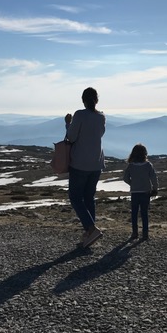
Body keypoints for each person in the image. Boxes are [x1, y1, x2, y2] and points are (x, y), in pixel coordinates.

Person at [65, 87, 106, 248]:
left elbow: (71, 137)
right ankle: (89, 234)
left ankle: (91, 229)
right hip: (96, 163)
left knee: (75, 197)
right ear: (97, 100)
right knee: (89, 198)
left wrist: (68, 124)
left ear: (83, 100)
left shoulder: (80, 115)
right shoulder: (101, 117)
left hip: (80, 163)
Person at [123, 143, 158, 241]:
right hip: (146, 192)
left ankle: (134, 233)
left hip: (135, 192)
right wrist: (155, 189)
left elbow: (125, 178)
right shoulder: (148, 165)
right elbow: (154, 178)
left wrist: (132, 184)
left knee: (134, 213)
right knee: (144, 213)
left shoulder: (131, 166)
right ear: (144, 153)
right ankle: (145, 234)